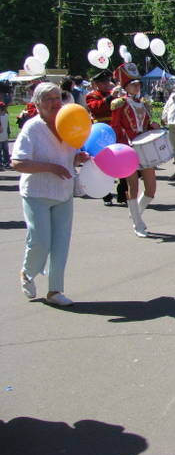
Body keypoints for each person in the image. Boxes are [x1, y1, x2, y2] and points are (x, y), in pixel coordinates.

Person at [12, 82, 90, 306]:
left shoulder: (68, 122)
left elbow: (70, 154)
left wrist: (77, 158)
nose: (55, 102)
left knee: (60, 244)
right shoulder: (32, 128)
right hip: (37, 192)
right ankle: (27, 273)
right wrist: (51, 167)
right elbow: (18, 162)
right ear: (37, 104)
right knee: (40, 241)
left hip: (63, 192)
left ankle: (55, 290)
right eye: (48, 99)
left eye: (58, 97)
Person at [111, 50, 160, 238]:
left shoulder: (143, 103)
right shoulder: (119, 104)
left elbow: (146, 122)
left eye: (138, 84)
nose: (137, 87)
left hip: (145, 147)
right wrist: (123, 145)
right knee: (133, 186)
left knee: (151, 189)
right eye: (133, 84)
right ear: (125, 86)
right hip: (128, 148)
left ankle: (135, 215)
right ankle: (138, 223)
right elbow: (115, 127)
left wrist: (152, 125)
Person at [85, 69, 126, 205]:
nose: (106, 84)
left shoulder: (114, 94)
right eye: (102, 82)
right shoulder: (92, 96)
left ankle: (122, 194)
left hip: (116, 131)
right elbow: (97, 108)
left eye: (107, 81)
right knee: (103, 164)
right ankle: (106, 194)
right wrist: (110, 98)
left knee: (121, 161)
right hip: (101, 134)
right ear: (96, 84)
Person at [0, 102, 10, 169]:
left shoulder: (6, 115)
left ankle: (6, 163)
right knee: (4, 150)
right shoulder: (6, 115)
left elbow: (7, 126)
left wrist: (8, 132)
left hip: (4, 136)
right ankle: (3, 163)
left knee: (5, 151)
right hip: (2, 137)